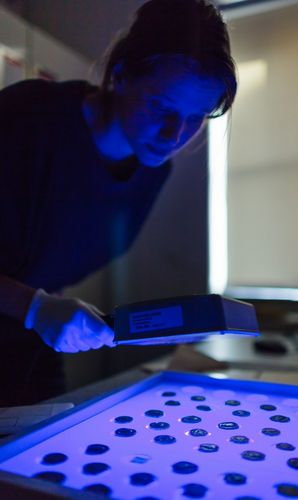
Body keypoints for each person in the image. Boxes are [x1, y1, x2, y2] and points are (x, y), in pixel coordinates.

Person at [0, 0, 237, 405]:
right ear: (122, 76)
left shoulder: (151, 172)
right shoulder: (29, 116)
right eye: (162, 106)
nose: (174, 134)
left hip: (28, 350)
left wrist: (39, 312)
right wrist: (31, 306)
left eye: (196, 116)